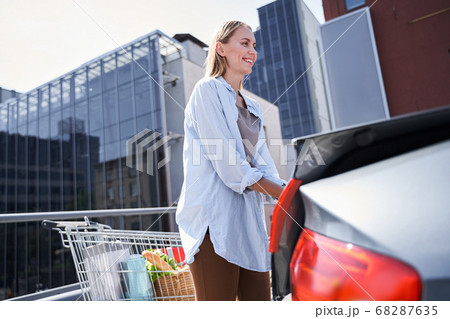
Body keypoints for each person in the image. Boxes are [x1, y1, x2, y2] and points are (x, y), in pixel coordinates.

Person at [175, 20, 286, 301]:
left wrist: (291, 189)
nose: (252, 51)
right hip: (214, 224)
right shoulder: (206, 91)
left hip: (247, 225)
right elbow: (229, 165)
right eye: (244, 43)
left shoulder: (253, 107)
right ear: (221, 49)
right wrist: (284, 194)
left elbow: (263, 164)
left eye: (254, 45)